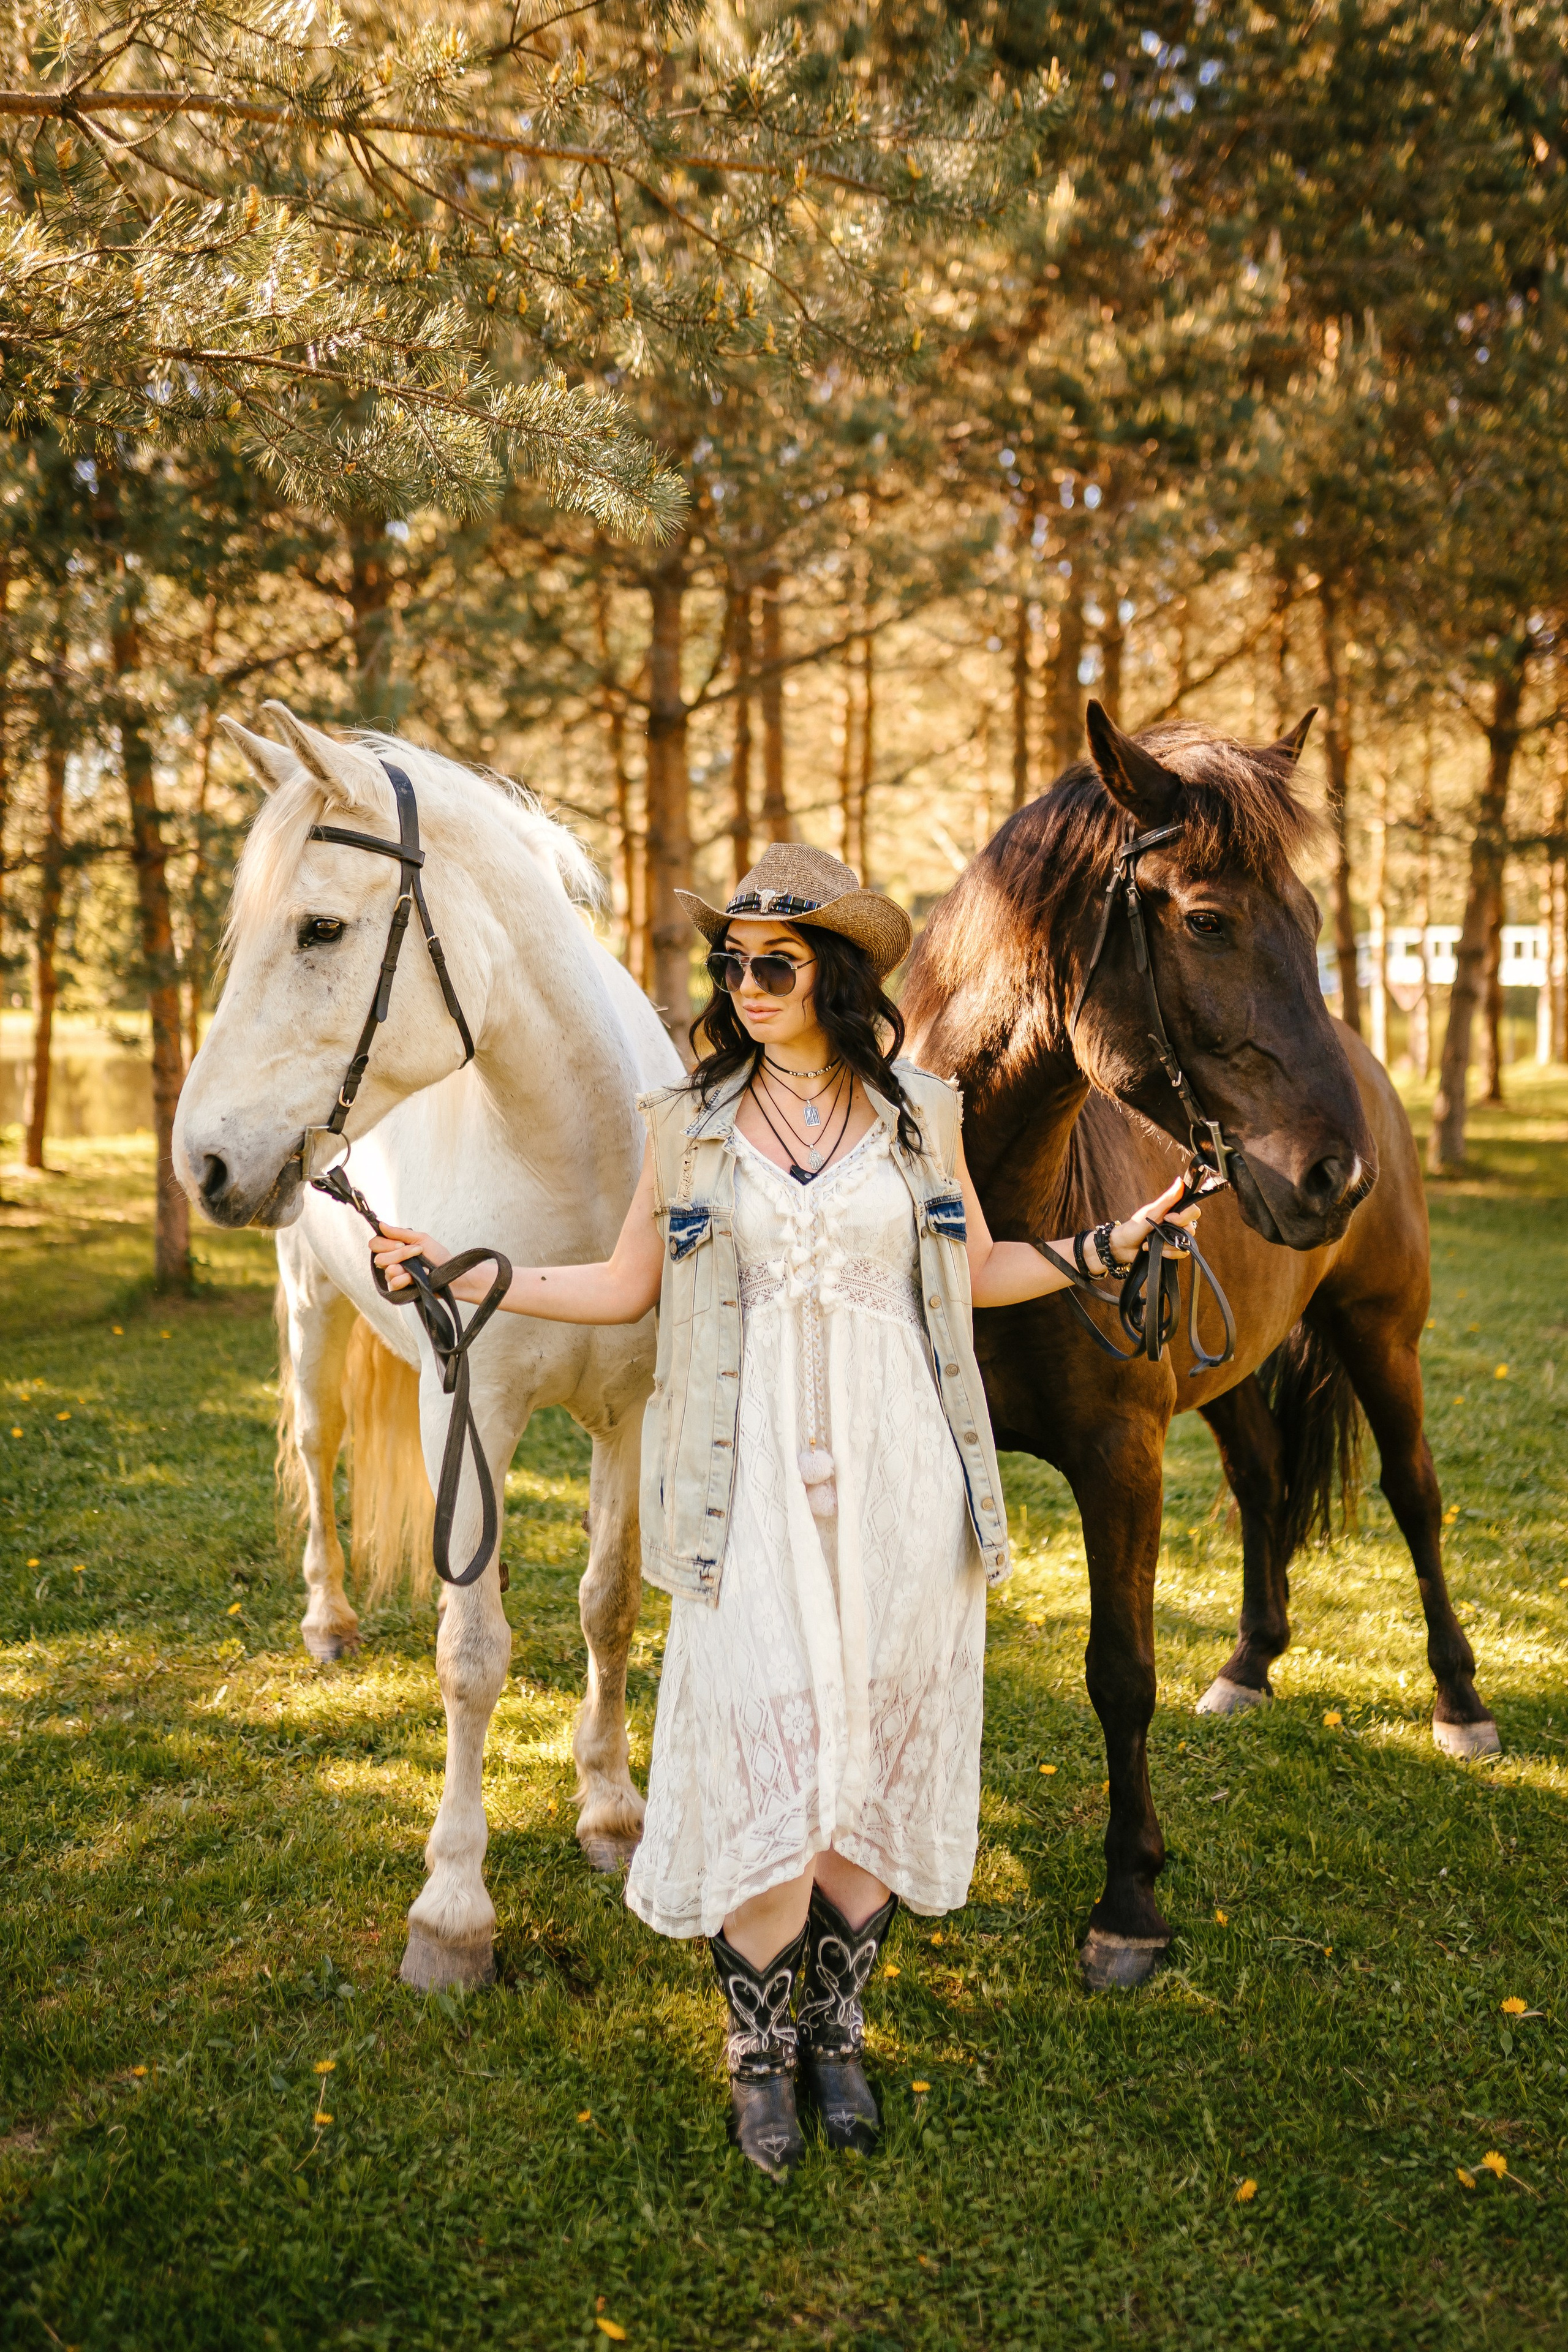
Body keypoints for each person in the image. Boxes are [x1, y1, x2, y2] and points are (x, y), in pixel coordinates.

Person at [372, 843, 1202, 2180]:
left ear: (835, 976)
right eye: (731, 965)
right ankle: (753, 2053)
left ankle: (836, 2032)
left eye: (774, 965)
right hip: (744, 1473)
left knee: (868, 1750)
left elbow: (971, 1265)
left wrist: (1101, 1251)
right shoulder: (687, 1119)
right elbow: (623, 1283)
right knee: (761, 1734)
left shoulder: (920, 1115)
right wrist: (472, 1276)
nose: (745, 986)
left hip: (899, 1475)